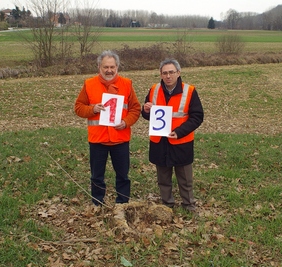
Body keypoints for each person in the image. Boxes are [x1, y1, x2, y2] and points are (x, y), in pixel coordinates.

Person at [74, 50, 141, 206]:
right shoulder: (89, 84)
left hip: (120, 139)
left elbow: (135, 109)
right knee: (97, 176)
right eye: (105, 67)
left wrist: (126, 122)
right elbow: (78, 108)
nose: (109, 70)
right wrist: (92, 109)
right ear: (99, 67)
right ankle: (98, 203)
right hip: (98, 140)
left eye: (112, 67)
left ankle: (123, 203)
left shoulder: (127, 84)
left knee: (123, 175)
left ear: (117, 66)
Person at [141, 58, 204, 212]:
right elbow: (147, 114)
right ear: (160, 74)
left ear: (178, 73)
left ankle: (189, 205)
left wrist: (180, 132)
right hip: (160, 142)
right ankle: (166, 204)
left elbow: (197, 117)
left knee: (185, 178)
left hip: (181, 142)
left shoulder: (189, 91)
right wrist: (145, 110)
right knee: (163, 178)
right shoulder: (154, 89)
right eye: (165, 73)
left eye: (171, 72)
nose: (168, 76)